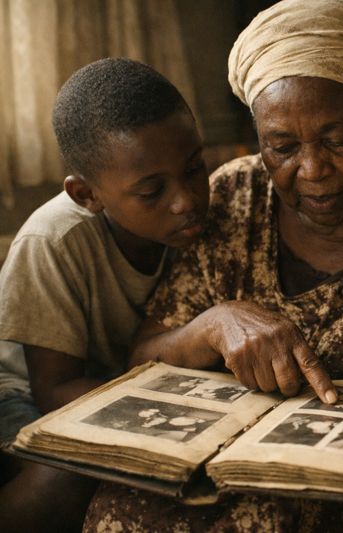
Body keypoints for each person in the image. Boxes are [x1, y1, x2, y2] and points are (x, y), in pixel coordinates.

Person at [82, 1, 343, 531]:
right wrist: (213, 323)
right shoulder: (234, 196)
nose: (311, 170)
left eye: (338, 139)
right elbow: (142, 358)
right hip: (209, 482)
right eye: (281, 146)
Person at [0, 57, 210, 531]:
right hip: (28, 397)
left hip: (123, 385)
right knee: (75, 479)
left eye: (195, 168)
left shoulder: (202, 223)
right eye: (152, 190)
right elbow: (54, 389)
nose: (187, 200)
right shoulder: (52, 242)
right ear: (86, 195)